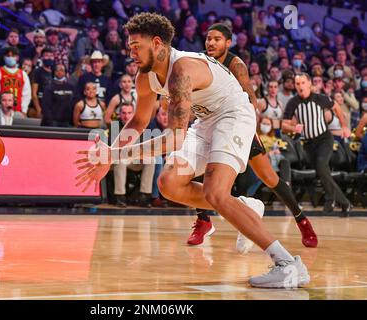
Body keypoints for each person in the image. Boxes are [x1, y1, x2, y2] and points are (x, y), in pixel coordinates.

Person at [75, 13, 310, 289]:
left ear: (158, 43)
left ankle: (289, 265)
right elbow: (139, 121)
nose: (131, 52)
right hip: (207, 119)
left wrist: (112, 156)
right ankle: (245, 206)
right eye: (130, 46)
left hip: (234, 114)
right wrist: (111, 153)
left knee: (215, 192)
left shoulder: (182, 70)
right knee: (168, 183)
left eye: (137, 46)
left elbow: (173, 139)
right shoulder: (144, 77)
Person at [201, 23, 317, 248]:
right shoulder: (202, 62)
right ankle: (203, 220)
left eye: (216, 39)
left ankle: (301, 219)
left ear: (228, 42)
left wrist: (247, 124)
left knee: (269, 177)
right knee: (197, 167)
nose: (211, 43)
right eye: (208, 38)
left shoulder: (235, 64)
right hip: (212, 125)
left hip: (237, 126)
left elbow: (251, 98)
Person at [282, 73, 352, 216]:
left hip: (324, 139)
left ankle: (329, 199)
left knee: (321, 166)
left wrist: (344, 126)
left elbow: (337, 108)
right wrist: (293, 128)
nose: (300, 86)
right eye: (297, 84)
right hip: (308, 144)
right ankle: (344, 203)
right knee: (323, 173)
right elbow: (284, 124)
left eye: (302, 83)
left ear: (309, 83)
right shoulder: (293, 102)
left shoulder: (319, 98)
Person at [111, 102, 155, 208]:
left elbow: (146, 147)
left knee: (151, 159)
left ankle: (144, 195)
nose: (126, 116)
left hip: (134, 159)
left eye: (129, 113)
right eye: (124, 113)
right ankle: (120, 197)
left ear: (133, 114)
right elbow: (113, 151)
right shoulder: (114, 126)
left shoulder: (140, 125)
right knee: (120, 160)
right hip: (117, 160)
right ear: (119, 114)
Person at [0, 47, 31, 114]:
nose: (10, 58)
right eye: (8, 56)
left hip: (18, 111)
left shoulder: (23, 74)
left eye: (13, 56)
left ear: (17, 57)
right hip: (1, 110)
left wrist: (24, 110)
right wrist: (0, 104)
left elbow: (26, 95)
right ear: (4, 57)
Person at [41, 63, 75, 127]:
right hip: (53, 122)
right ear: (54, 72)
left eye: (62, 70)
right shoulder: (49, 88)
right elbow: (46, 107)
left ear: (65, 73)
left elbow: (74, 104)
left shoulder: (71, 87)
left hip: (68, 122)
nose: (59, 72)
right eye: (57, 70)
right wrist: (50, 123)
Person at [31, 48, 54, 118]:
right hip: (40, 103)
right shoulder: (37, 72)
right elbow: (34, 93)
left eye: (51, 56)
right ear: (42, 58)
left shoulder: (55, 71)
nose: (49, 58)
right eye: (46, 55)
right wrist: (38, 109)